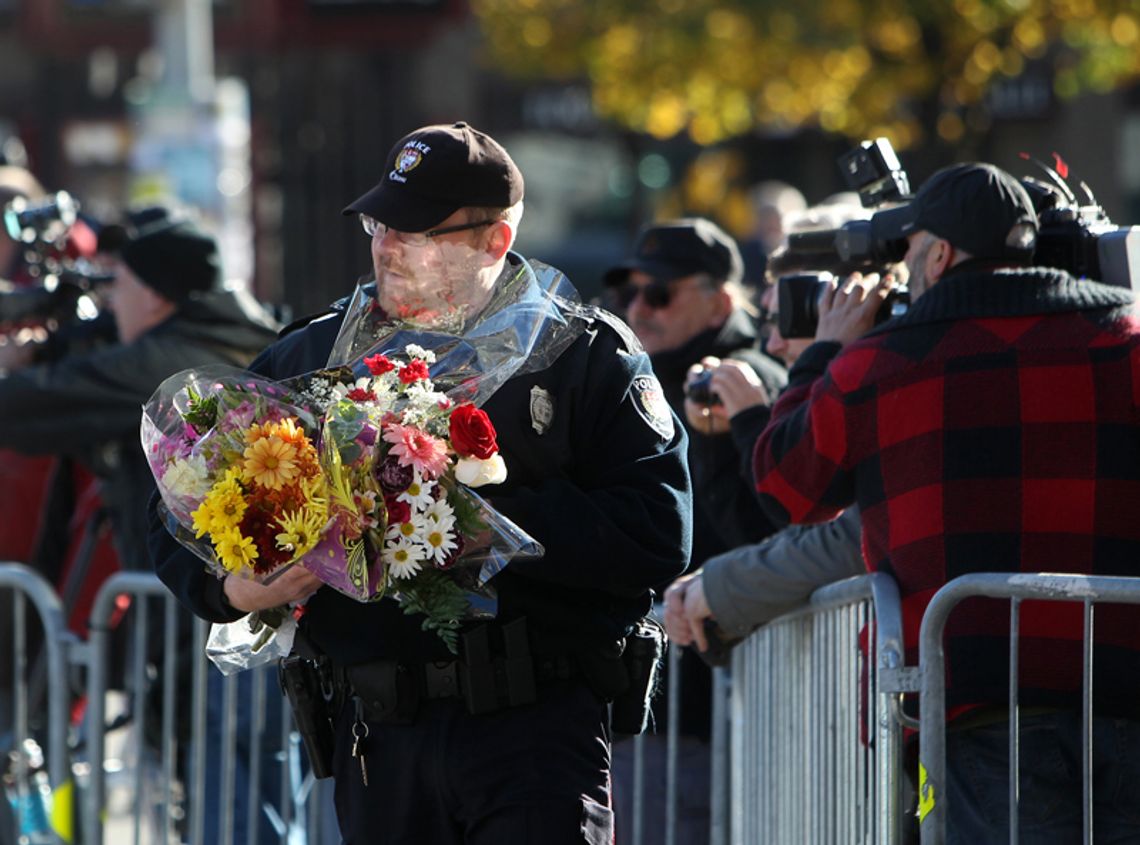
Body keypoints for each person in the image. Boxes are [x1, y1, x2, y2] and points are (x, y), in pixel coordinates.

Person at [149, 121, 693, 844]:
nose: (387, 244)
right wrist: (236, 588)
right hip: (378, 737)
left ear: (494, 241)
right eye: (380, 222)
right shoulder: (313, 355)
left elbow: (657, 530)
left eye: (419, 229)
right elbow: (176, 511)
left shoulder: (581, 356)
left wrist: (459, 513)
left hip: (531, 726)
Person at [750, 161, 1140, 842]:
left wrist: (819, 355)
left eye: (908, 252)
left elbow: (786, 485)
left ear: (939, 253)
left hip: (977, 713)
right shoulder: (1125, 343)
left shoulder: (878, 363)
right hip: (1127, 695)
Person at [601, 218, 785, 843]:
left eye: (660, 294)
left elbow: (768, 525)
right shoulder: (625, 381)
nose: (638, 308)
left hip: (725, 700)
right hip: (650, 702)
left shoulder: (749, 383)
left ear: (721, 301)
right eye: (631, 292)